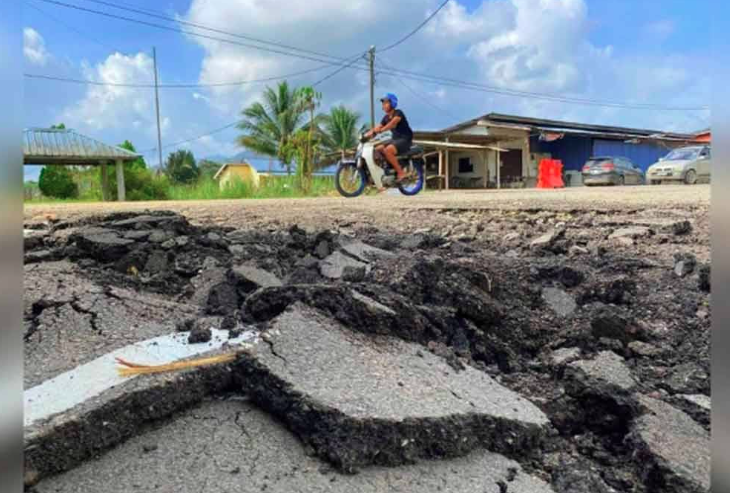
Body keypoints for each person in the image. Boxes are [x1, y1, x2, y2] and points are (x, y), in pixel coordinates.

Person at [365, 93, 414, 183]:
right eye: (383, 103)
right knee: (376, 149)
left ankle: (401, 173)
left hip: (405, 139)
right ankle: (387, 170)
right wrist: (369, 133)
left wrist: (382, 130)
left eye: (386, 102)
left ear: (392, 103)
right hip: (395, 139)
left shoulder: (398, 113)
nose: (384, 105)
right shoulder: (385, 117)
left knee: (388, 150)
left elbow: (392, 124)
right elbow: (378, 127)